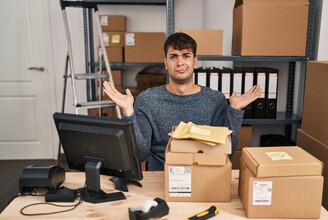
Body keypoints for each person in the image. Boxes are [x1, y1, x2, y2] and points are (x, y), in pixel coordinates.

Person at [103, 32, 261, 171]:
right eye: (173, 57)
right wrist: (128, 111)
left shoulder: (215, 100)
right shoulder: (147, 100)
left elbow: (227, 152)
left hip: (204, 176)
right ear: (165, 63)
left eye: (186, 56)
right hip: (161, 179)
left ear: (195, 61)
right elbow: (140, 154)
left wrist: (234, 110)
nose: (180, 62)